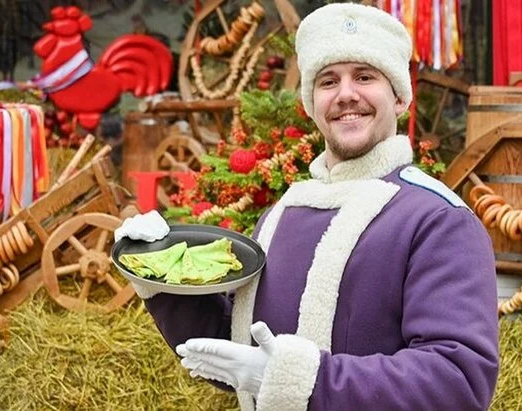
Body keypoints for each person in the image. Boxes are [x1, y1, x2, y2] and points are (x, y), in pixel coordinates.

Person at [119, 3, 499, 410]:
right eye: (328, 81)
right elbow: (237, 349)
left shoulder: (438, 221)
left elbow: (458, 381)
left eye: (365, 76)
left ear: (400, 98)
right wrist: (158, 271)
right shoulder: (281, 216)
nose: (346, 94)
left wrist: (302, 380)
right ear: (312, 103)